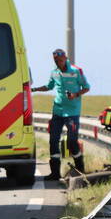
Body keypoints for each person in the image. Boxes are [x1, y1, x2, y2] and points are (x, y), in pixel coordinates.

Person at [33, 48, 91, 180]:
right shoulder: (54, 72)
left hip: (72, 112)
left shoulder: (76, 71)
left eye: (59, 60)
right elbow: (49, 86)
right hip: (57, 111)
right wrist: (34, 89)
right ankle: (54, 173)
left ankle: (80, 170)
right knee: (53, 141)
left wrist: (75, 94)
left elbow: (87, 87)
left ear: (65, 58)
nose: (58, 63)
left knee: (72, 141)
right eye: (55, 60)